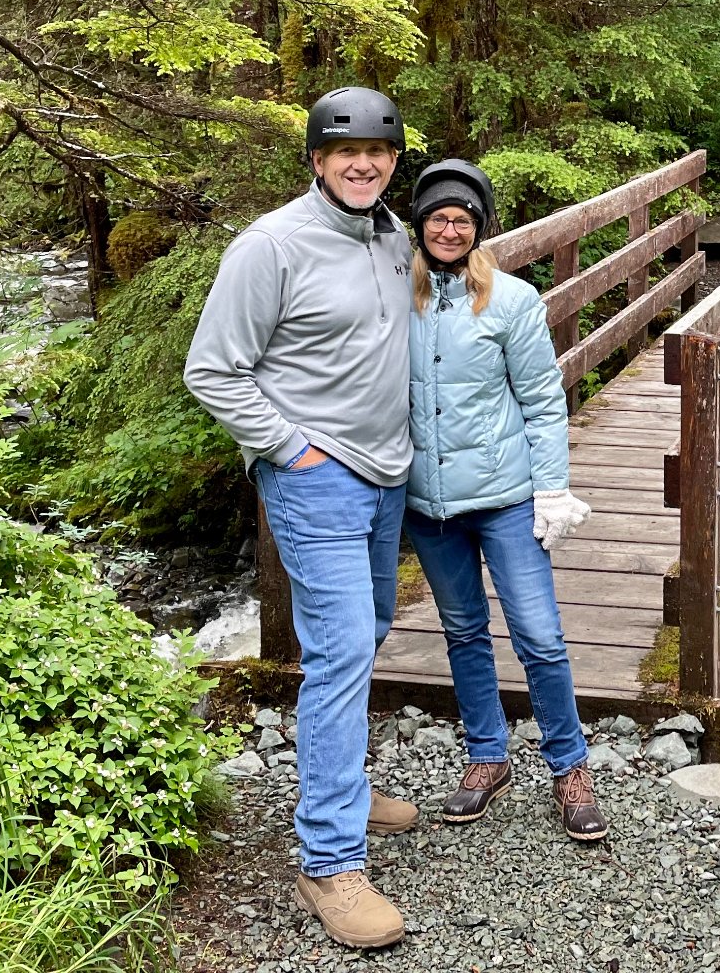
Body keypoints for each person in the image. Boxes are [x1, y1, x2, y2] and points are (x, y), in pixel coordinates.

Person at [183, 86, 417, 949]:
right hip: (317, 478)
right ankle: (328, 861)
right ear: (317, 159)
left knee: (375, 625)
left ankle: (344, 789)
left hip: (389, 473)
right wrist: (290, 448)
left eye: (379, 153)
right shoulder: (271, 246)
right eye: (345, 152)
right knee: (342, 648)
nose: (364, 164)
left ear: (394, 162)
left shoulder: (392, 236)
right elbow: (212, 369)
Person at [401, 159, 608, 842]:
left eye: (462, 219)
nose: (450, 229)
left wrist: (551, 488)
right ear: (421, 226)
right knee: (462, 632)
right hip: (427, 503)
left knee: (539, 636)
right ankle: (487, 758)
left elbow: (544, 403)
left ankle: (569, 767)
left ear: (480, 227)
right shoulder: (394, 296)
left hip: (506, 497)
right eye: (438, 218)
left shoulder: (513, 302)